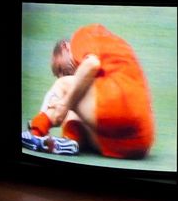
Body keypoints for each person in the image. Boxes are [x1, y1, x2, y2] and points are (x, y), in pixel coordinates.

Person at [21, 23, 155, 159]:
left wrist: (64, 103)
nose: (63, 75)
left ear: (65, 47)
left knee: (64, 87)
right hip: (137, 142)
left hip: (121, 105)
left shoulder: (83, 35)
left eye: (60, 68)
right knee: (75, 98)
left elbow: (92, 63)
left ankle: (35, 131)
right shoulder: (109, 53)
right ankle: (70, 141)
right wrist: (68, 104)